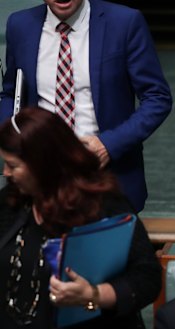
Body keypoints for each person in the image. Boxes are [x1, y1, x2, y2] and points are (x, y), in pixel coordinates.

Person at [0, 0, 173, 212]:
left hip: (105, 175)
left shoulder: (124, 22)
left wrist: (109, 145)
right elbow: (11, 92)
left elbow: (157, 97)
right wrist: (11, 137)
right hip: (41, 176)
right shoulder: (20, 24)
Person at [0, 107, 161, 328]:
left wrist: (94, 295)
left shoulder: (103, 204)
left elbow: (147, 278)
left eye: (13, 166)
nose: (6, 173)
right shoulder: (10, 202)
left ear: (42, 164)